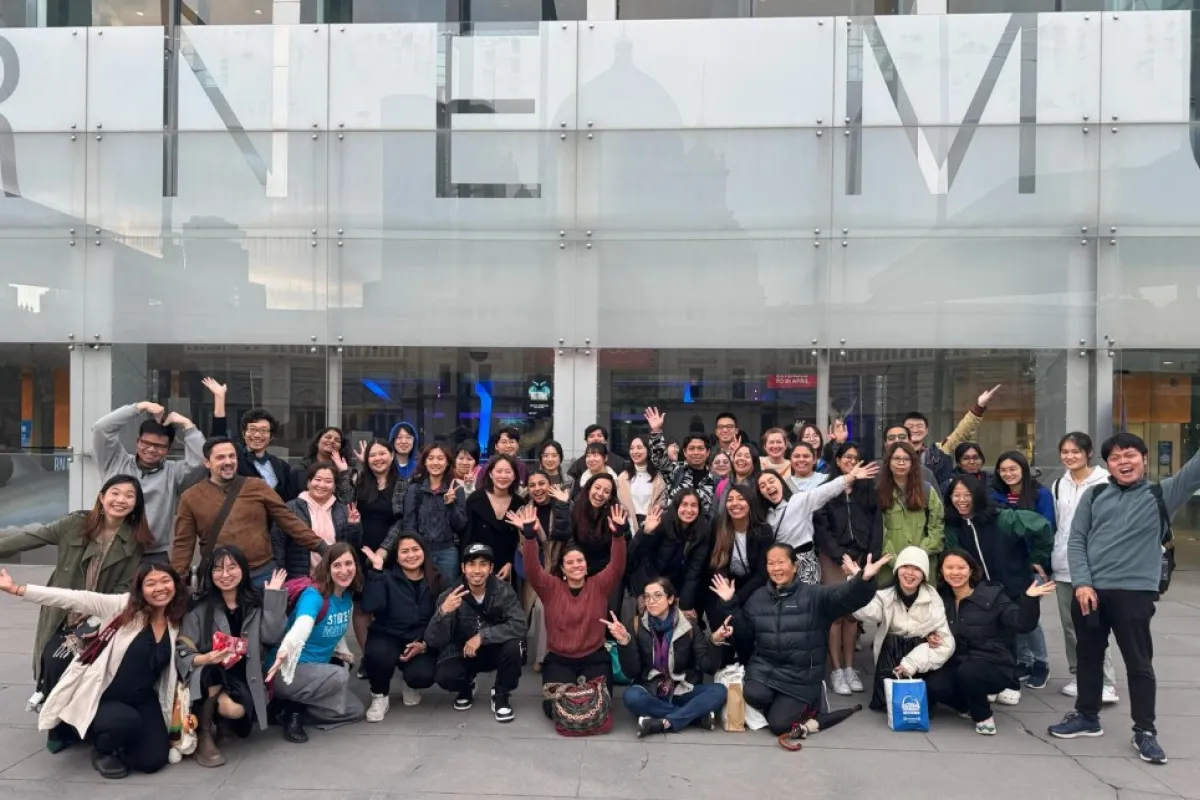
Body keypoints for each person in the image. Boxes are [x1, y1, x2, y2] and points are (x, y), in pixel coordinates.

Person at [1048, 433, 1200, 765]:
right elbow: (1077, 541)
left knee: (1138, 663)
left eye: (1129, 455)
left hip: (1134, 594)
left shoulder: (1161, 494)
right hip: (1090, 593)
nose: (1123, 462)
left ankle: (1145, 731)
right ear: (1107, 465)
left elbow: (1195, 469)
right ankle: (1087, 716)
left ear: (1144, 459)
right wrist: (1083, 584)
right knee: (1088, 657)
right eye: (1115, 458)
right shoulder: (1095, 494)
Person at [0, 561, 188, 779]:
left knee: (152, 760)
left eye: (166, 581)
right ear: (140, 588)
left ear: (175, 584)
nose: (159, 589)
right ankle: (103, 747)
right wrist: (17, 589)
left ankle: (123, 740)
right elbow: (74, 598)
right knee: (124, 719)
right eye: (151, 583)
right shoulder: (123, 606)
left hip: (143, 697)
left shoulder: (176, 617)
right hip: (104, 694)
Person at [0, 475, 152, 735]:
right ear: (102, 497)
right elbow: (31, 537)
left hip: (98, 614)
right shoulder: (75, 524)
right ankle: (55, 723)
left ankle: (75, 722)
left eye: (129, 496)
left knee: (83, 667)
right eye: (115, 493)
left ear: (136, 504)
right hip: (61, 608)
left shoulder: (135, 540)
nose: (121, 500)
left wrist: (97, 618)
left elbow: (121, 588)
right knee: (51, 659)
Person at [714, 544, 893, 749]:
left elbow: (845, 596)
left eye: (781, 562)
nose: (776, 568)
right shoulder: (758, 598)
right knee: (753, 694)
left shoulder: (814, 596)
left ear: (795, 566)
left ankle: (814, 699)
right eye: (771, 563)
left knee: (778, 724)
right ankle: (785, 703)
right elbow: (745, 634)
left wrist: (863, 580)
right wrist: (730, 603)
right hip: (766, 669)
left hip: (801, 675)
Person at [513, 503, 628, 720]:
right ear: (563, 569)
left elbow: (617, 566)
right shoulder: (551, 587)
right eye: (570, 562)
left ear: (586, 564)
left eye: (580, 561)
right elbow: (532, 569)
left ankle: (581, 699)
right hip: (559, 658)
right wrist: (529, 536)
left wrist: (618, 535)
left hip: (594, 657)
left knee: (602, 704)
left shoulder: (599, 585)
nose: (576, 565)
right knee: (552, 709)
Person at [176, 547, 287, 766]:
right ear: (210, 574)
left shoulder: (254, 602)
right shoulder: (199, 606)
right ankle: (204, 734)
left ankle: (222, 718)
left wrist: (273, 596)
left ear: (243, 570)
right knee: (212, 673)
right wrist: (207, 658)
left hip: (242, 676)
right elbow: (183, 651)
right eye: (218, 569)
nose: (225, 575)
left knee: (236, 712)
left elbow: (272, 636)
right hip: (208, 673)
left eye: (231, 567)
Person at [946, 473, 1054, 697]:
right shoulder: (954, 526)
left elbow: (1042, 526)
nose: (961, 500)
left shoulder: (1002, 518)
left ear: (977, 495)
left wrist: (1036, 557)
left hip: (1012, 584)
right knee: (990, 634)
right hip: (982, 591)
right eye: (956, 495)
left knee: (1013, 630)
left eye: (967, 494)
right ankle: (995, 679)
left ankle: (1012, 680)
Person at [928, 548, 1055, 735]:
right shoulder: (939, 597)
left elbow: (1021, 623)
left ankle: (983, 715)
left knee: (969, 672)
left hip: (994, 663)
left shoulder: (991, 594)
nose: (955, 573)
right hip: (958, 661)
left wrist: (1029, 600)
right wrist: (930, 635)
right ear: (941, 571)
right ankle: (967, 706)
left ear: (971, 570)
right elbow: (928, 624)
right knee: (933, 683)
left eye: (961, 567)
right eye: (949, 568)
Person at [171, 438, 328, 590]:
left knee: (268, 616)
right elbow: (183, 544)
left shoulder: (256, 485)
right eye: (220, 457)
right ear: (207, 462)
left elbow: (289, 520)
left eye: (232, 456)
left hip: (261, 573)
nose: (228, 462)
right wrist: (177, 580)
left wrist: (321, 547)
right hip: (220, 576)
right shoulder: (190, 497)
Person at [266, 542, 365, 742]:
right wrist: (286, 649)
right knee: (339, 676)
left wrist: (343, 651)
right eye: (337, 565)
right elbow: (304, 623)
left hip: (315, 672)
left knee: (356, 710)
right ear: (327, 568)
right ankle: (289, 706)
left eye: (349, 564)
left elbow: (334, 627)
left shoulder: (345, 596)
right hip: (285, 669)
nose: (344, 571)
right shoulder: (314, 596)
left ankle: (290, 711)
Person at [608, 577, 727, 737]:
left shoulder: (689, 626)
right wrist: (624, 642)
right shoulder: (636, 625)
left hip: (683, 689)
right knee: (631, 697)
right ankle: (694, 716)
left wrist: (715, 641)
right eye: (647, 596)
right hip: (650, 690)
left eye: (658, 595)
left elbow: (708, 667)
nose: (651, 601)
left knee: (719, 691)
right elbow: (631, 672)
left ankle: (662, 723)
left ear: (670, 599)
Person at [1050, 432, 1118, 703]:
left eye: (1075, 451)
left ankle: (1107, 681)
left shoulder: (1105, 483)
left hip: (1096, 567)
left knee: (1096, 625)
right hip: (1064, 564)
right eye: (1065, 452)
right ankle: (1079, 675)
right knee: (1070, 626)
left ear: (1088, 453)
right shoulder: (1059, 484)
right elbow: (1059, 524)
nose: (1070, 456)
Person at [426, 543, 527, 723]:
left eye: (483, 564)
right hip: (464, 652)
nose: (477, 570)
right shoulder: (450, 595)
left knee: (515, 646)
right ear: (463, 568)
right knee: (445, 675)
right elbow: (434, 640)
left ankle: (501, 694)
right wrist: (442, 613)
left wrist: (482, 636)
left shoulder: (503, 590)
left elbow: (520, 624)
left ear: (491, 568)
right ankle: (466, 686)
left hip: (493, 648)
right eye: (472, 564)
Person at [92, 402, 203, 563]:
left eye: (159, 446)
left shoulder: (174, 474)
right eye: (146, 443)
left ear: (168, 449)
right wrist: (139, 407)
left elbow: (201, 462)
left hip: (153, 554)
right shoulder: (115, 461)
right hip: (108, 550)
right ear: (138, 441)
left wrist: (188, 426)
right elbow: (101, 429)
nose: (151, 449)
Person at [814, 442, 884, 694]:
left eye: (856, 457)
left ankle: (849, 668)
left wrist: (868, 556)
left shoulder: (869, 491)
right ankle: (835, 670)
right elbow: (821, 528)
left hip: (860, 558)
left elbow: (877, 526)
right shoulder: (827, 489)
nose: (851, 461)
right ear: (838, 460)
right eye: (846, 457)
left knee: (852, 616)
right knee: (834, 616)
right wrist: (839, 555)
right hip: (833, 558)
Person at [855, 546, 955, 710]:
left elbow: (946, 643)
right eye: (905, 566)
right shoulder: (885, 595)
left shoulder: (932, 599)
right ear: (897, 570)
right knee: (888, 706)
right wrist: (861, 581)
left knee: (920, 705)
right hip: (891, 655)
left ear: (924, 574)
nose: (910, 573)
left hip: (920, 658)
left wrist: (912, 663)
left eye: (916, 569)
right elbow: (864, 613)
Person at [360, 534, 443, 722]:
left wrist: (424, 643)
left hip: (419, 637)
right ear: (396, 557)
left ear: (424, 552)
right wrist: (376, 571)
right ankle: (379, 695)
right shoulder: (385, 577)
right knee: (379, 655)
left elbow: (442, 618)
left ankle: (409, 682)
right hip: (387, 634)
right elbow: (369, 606)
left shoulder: (437, 578)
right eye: (404, 551)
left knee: (422, 675)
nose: (411, 555)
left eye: (415, 549)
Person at [702, 484, 772, 665]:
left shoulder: (763, 530)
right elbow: (715, 562)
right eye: (730, 499)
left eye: (741, 499)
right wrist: (724, 586)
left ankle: (745, 664)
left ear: (750, 503)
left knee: (744, 629)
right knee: (720, 618)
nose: (735, 504)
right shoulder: (719, 525)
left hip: (752, 586)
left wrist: (735, 598)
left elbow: (762, 573)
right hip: (724, 584)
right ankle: (724, 665)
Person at [348, 438, 405, 658]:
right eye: (372, 455)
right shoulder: (359, 482)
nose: (378, 459)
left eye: (382, 454)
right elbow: (345, 501)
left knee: (388, 605)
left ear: (392, 456)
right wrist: (358, 468)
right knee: (362, 605)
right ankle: (368, 656)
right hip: (360, 550)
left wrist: (384, 549)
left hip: (390, 553)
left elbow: (401, 521)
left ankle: (389, 653)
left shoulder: (403, 484)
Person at [202, 378, 298, 502]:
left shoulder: (281, 465)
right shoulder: (235, 456)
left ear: (271, 436)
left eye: (263, 430)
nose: (257, 435)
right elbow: (218, 440)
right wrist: (220, 398)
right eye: (252, 429)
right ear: (244, 433)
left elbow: (287, 499)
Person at [386, 444, 467, 580]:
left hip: (448, 552)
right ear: (425, 462)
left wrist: (450, 505)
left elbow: (461, 526)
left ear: (447, 463)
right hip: (421, 552)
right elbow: (409, 525)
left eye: (440, 458)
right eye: (431, 458)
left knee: (448, 593)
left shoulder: (456, 489)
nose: (435, 462)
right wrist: (415, 550)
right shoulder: (415, 489)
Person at [627, 491, 711, 621]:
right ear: (676, 506)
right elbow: (635, 555)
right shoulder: (661, 522)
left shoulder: (703, 531)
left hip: (678, 584)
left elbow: (694, 571)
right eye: (684, 504)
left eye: (694, 505)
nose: (689, 510)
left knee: (686, 619)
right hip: (649, 579)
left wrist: (684, 605)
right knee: (652, 616)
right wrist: (646, 532)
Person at [275, 462, 362, 580]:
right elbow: (278, 545)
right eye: (318, 479)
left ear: (335, 486)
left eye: (328, 481)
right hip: (299, 579)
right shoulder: (291, 508)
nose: (322, 484)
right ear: (308, 482)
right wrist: (281, 576)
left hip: (334, 579)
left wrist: (353, 525)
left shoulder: (342, 509)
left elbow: (352, 547)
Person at [520, 471, 572, 670]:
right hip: (535, 570)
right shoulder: (525, 510)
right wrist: (527, 531)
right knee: (525, 610)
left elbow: (567, 536)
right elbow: (523, 546)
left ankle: (542, 657)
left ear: (550, 485)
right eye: (532, 485)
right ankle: (520, 650)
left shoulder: (561, 505)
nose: (537, 489)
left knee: (543, 608)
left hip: (559, 570)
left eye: (541, 483)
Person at [876, 441, 945, 587]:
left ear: (913, 463)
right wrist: (898, 562)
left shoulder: (926, 490)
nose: (901, 463)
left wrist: (917, 558)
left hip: (923, 564)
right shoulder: (879, 493)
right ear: (888, 462)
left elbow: (937, 526)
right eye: (896, 459)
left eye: (906, 459)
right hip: (889, 567)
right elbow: (878, 534)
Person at [904, 384, 1001, 485]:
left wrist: (979, 407)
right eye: (910, 426)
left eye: (919, 426)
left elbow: (961, 432)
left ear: (927, 430)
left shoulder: (938, 451)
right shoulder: (894, 453)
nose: (915, 429)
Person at [460, 455, 528, 582]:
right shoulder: (476, 500)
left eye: (508, 472)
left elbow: (520, 541)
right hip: (478, 568)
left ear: (514, 476)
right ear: (490, 474)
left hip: (508, 570)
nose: (503, 476)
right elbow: (467, 536)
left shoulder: (519, 503)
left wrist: (511, 564)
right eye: (498, 471)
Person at [645, 407, 717, 513]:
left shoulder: (714, 479)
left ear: (708, 452)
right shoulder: (676, 470)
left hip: (703, 528)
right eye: (691, 448)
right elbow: (659, 459)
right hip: (675, 527)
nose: (696, 452)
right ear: (684, 452)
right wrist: (656, 431)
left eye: (700, 448)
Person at [990, 451, 1056, 529]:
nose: (1008, 474)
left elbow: (1047, 528)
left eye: (1012, 469)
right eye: (1003, 470)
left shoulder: (1041, 494)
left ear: (1023, 469)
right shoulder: (995, 496)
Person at [616, 436, 666, 533]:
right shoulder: (622, 478)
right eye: (632, 448)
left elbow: (662, 503)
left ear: (648, 450)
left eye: (639, 447)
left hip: (652, 527)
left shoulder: (658, 478)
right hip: (627, 528)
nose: (635, 451)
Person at [291, 427, 354, 502]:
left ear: (341, 447)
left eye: (337, 440)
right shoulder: (300, 469)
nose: (332, 441)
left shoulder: (346, 470)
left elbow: (348, 501)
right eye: (328, 437)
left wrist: (344, 473)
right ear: (317, 441)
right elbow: (291, 498)